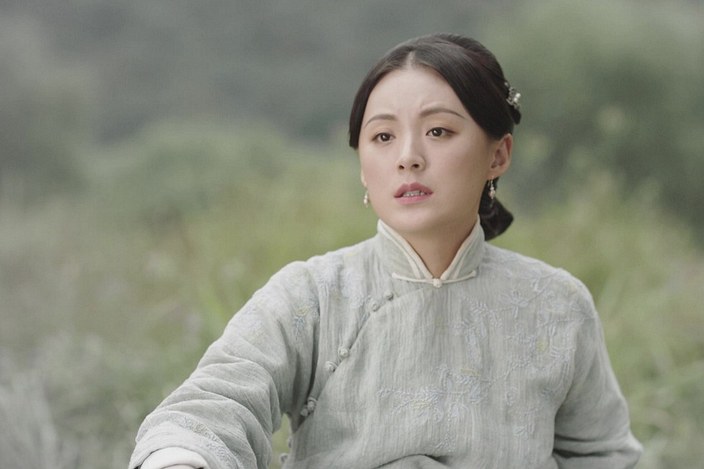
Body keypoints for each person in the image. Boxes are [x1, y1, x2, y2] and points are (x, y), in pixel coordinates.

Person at [129, 33, 642, 469]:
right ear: (362, 166)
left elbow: (602, 455)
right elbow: (214, 404)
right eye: (382, 137)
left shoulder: (556, 306)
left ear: (498, 154)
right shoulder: (313, 296)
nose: (408, 157)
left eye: (438, 131)